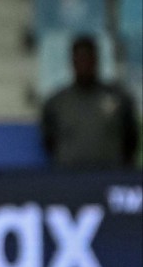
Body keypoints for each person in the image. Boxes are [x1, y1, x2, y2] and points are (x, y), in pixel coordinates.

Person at [41, 35, 140, 168]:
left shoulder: (119, 98)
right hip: (69, 179)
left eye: (88, 59)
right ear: (72, 62)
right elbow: (49, 142)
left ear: (96, 60)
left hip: (109, 177)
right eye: (80, 59)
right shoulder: (56, 103)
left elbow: (131, 139)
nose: (84, 64)